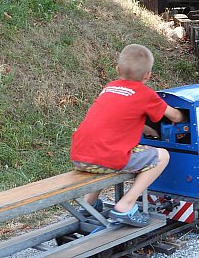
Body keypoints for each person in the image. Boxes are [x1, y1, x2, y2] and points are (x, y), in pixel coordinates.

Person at [70, 44, 186, 227]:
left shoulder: (109, 88)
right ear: (147, 75)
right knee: (162, 155)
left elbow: (118, 123)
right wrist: (183, 117)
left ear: (117, 69)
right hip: (105, 159)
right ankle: (126, 203)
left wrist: (148, 131)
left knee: (106, 152)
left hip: (79, 156)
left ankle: (88, 204)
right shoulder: (145, 94)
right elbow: (174, 116)